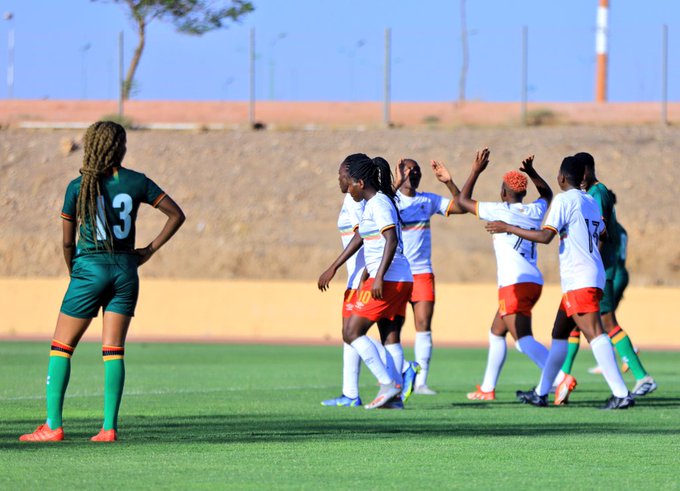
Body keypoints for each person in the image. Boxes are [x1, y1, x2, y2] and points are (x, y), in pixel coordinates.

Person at [20, 121, 186, 442]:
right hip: (125, 269)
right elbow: (176, 214)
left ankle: (52, 426)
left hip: (89, 268)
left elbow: (68, 243)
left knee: (61, 347)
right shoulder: (137, 182)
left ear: (91, 145)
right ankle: (108, 428)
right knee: (113, 351)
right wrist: (148, 250)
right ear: (119, 148)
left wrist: (76, 272)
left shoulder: (78, 186)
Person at [485, 156, 634, 409]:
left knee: (595, 333)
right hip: (587, 274)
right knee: (559, 335)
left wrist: (507, 227)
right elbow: (603, 234)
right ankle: (542, 392)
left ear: (562, 178)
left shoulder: (565, 200)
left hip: (579, 277)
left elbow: (545, 236)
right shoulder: (588, 200)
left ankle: (621, 394)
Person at [553, 153, 656, 404]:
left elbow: (596, 232)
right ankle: (560, 378)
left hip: (600, 271)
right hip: (600, 271)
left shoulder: (596, 194)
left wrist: (586, 260)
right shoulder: (597, 195)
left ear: (585, 172)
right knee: (575, 323)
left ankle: (641, 377)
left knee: (605, 323)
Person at [455, 150, 553, 401]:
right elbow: (547, 194)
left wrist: (476, 170)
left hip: (514, 283)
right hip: (532, 281)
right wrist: (532, 172)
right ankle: (487, 388)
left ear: (503, 194)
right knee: (497, 331)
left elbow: (463, 201)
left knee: (522, 340)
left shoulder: (498, 210)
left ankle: (560, 378)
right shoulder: (534, 211)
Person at [336, 155, 414, 409]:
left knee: (351, 332)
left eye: (349, 184)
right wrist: (369, 273)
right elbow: (373, 243)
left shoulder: (378, 203)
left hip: (390, 279)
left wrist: (378, 276)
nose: (348, 190)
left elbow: (391, 240)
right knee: (387, 336)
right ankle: (395, 399)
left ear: (360, 182)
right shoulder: (374, 203)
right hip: (393, 277)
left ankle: (389, 383)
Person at [395, 157, 466, 396]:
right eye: (407, 170)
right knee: (392, 325)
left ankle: (421, 382)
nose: (412, 174)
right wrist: (395, 183)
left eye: (416, 170)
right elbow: (374, 207)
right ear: (399, 172)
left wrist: (449, 182)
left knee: (423, 325)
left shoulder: (428, 200)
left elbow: (461, 206)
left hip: (422, 272)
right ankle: (395, 376)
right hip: (396, 272)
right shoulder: (390, 200)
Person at [318, 154, 368, 407]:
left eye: (341, 175)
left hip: (361, 276)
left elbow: (363, 236)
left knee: (353, 333)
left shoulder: (354, 200)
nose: (338, 179)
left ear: (351, 178)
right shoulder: (357, 199)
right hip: (358, 276)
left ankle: (402, 369)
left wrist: (332, 267)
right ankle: (350, 394)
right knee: (351, 334)